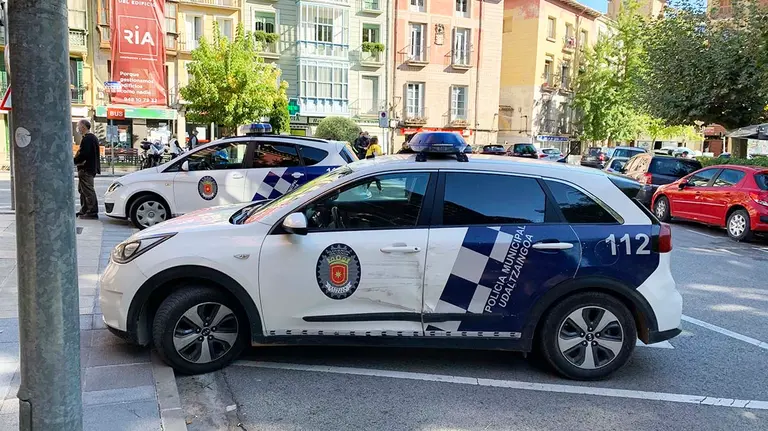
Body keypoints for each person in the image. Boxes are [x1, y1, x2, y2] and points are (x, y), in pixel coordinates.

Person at [73, 119, 100, 219]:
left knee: (88, 191)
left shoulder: (88, 139)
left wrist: (74, 161)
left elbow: (84, 154)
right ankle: (84, 210)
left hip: (86, 169)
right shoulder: (90, 138)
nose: (78, 128)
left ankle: (92, 212)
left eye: (78, 126)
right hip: (87, 168)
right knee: (82, 190)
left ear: (83, 127)